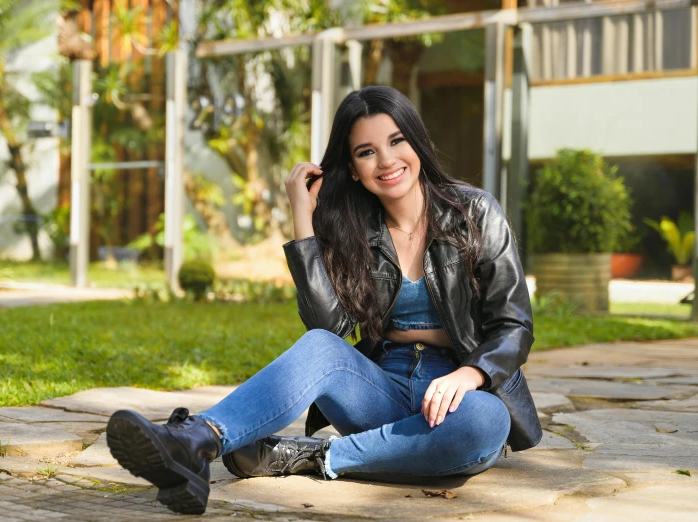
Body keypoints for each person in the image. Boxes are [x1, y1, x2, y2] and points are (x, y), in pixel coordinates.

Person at [106, 85, 541, 515]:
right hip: (379, 391)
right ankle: (195, 441)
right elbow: (328, 327)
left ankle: (311, 455)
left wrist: (470, 374)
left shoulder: (476, 213)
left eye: (396, 141)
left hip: (458, 396)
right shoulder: (353, 227)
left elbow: (514, 324)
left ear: (417, 142)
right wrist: (303, 218)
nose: (387, 161)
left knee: (485, 424)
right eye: (367, 152)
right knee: (319, 349)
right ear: (352, 168)